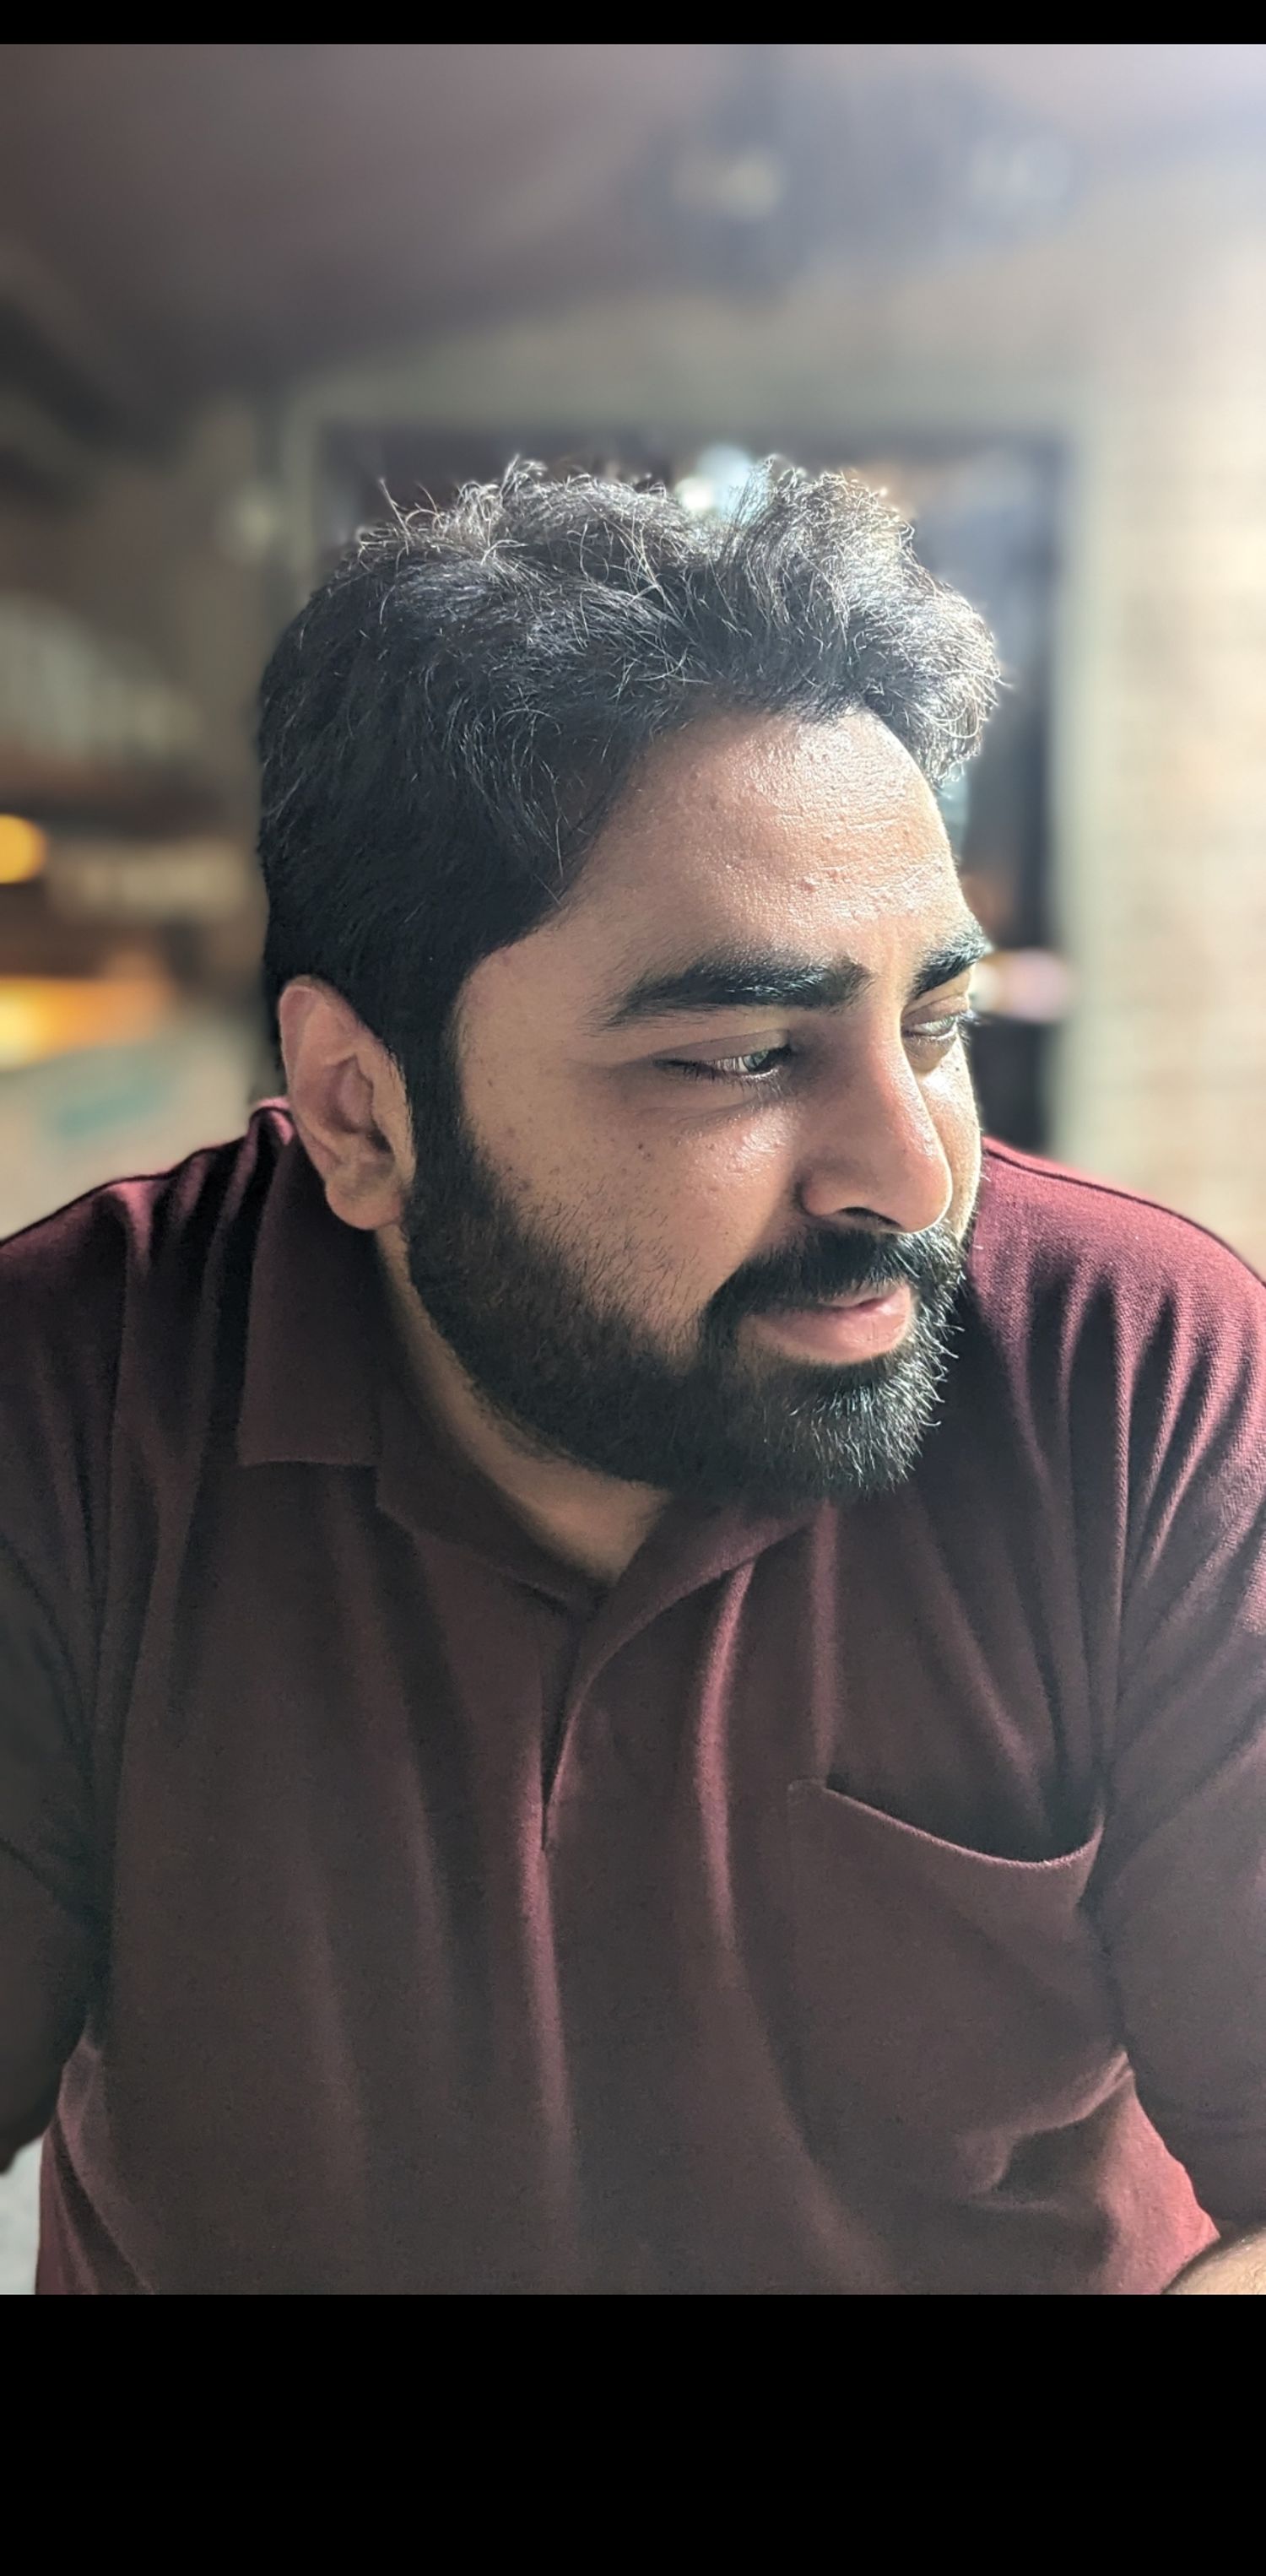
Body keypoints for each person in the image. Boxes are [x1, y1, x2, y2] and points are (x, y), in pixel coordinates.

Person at [3, 461, 1263, 2296]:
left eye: (935, 1025)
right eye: (742, 1055)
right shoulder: (73, 1398)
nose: (912, 1176)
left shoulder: (1132, 1372)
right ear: (360, 1110)